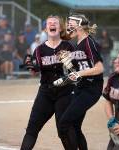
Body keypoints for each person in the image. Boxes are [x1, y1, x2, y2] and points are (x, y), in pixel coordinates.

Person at [20, 15, 78, 150]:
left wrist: (69, 64)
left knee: (63, 130)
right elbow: (34, 70)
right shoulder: (39, 50)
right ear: (46, 29)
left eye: (55, 23)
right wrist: (30, 66)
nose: (52, 24)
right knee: (32, 129)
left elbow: (77, 71)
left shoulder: (68, 46)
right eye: (49, 23)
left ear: (60, 28)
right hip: (46, 92)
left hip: (65, 92)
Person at [54, 13, 104, 150]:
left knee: (64, 123)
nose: (68, 27)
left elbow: (99, 68)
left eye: (71, 24)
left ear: (80, 27)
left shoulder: (89, 43)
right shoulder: (78, 44)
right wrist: (68, 63)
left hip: (91, 89)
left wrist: (78, 72)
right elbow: (77, 71)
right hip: (81, 87)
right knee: (75, 126)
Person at [103, 48, 119, 150]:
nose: (115, 61)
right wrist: (111, 119)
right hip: (118, 130)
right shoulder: (113, 78)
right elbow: (108, 100)